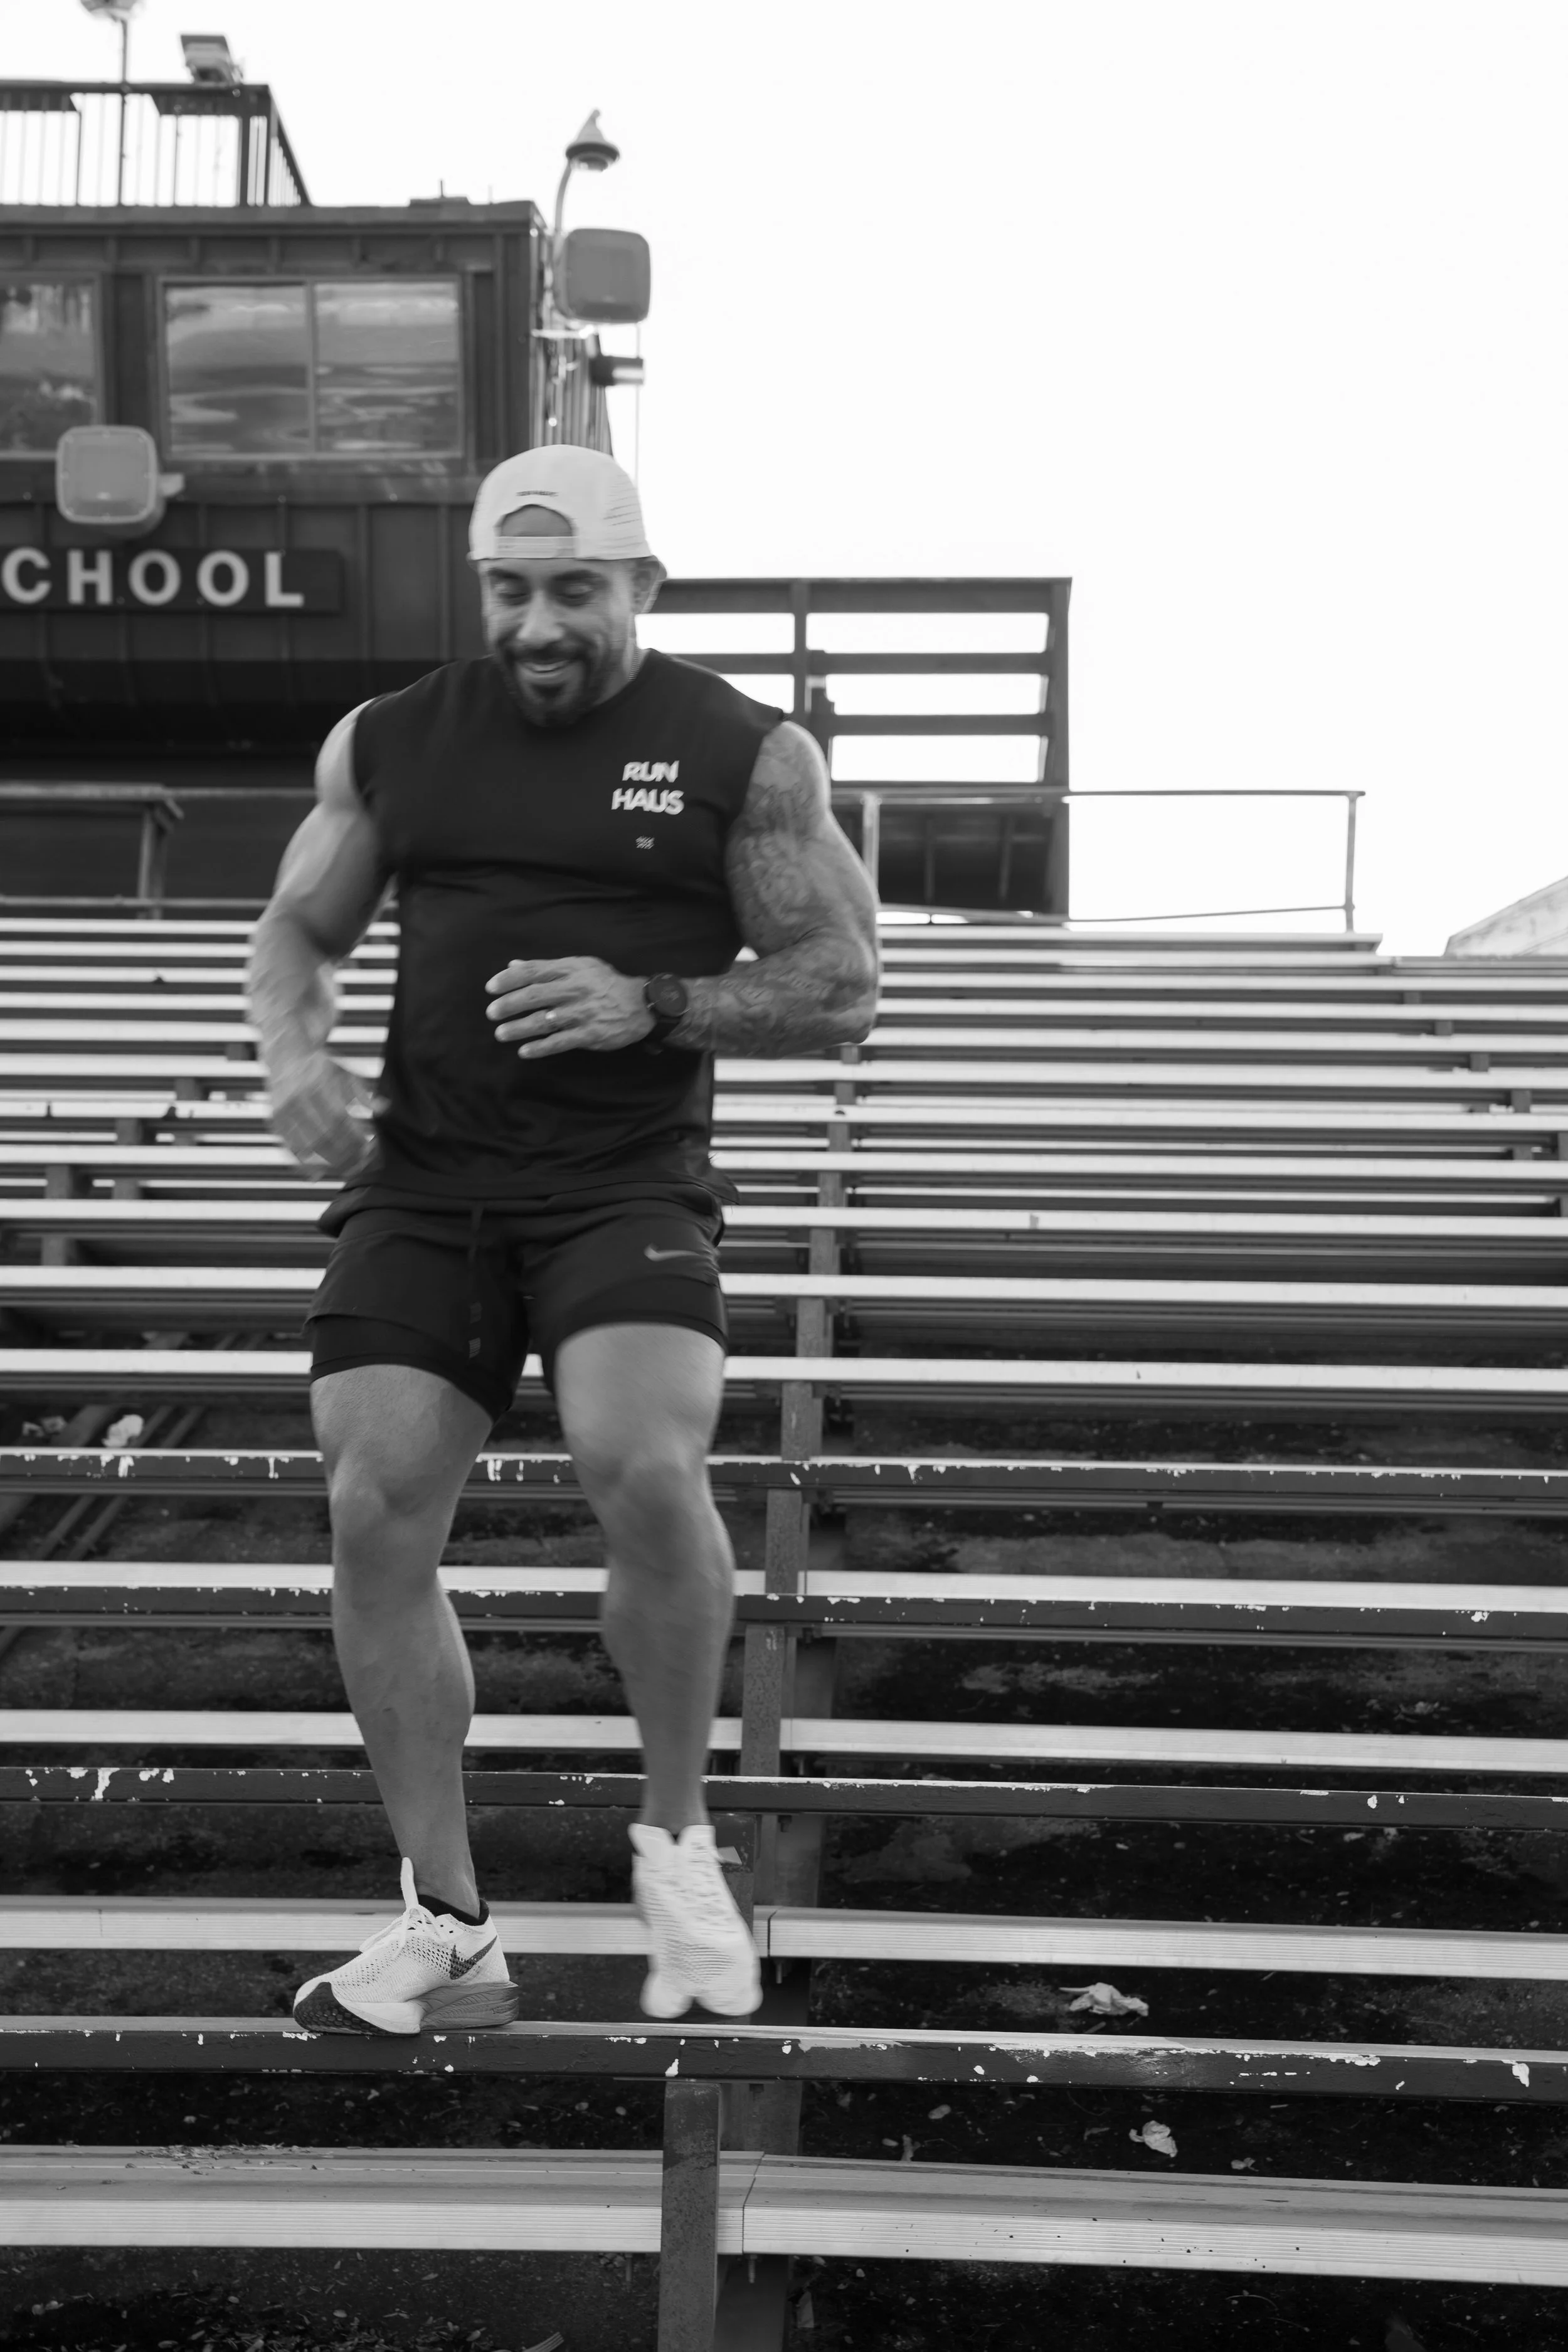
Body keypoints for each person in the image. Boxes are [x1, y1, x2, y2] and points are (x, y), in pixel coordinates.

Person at [246, 444, 879, 2036]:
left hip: (620, 1182)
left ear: (643, 591)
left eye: (575, 591)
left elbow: (841, 983)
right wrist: (293, 1058)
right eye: (512, 591)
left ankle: (675, 1843)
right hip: (428, 1183)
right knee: (372, 1501)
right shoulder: (392, 743)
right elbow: (294, 931)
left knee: (639, 1460)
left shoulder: (743, 752)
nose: (539, 623)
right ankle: (449, 1929)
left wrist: (651, 1000)